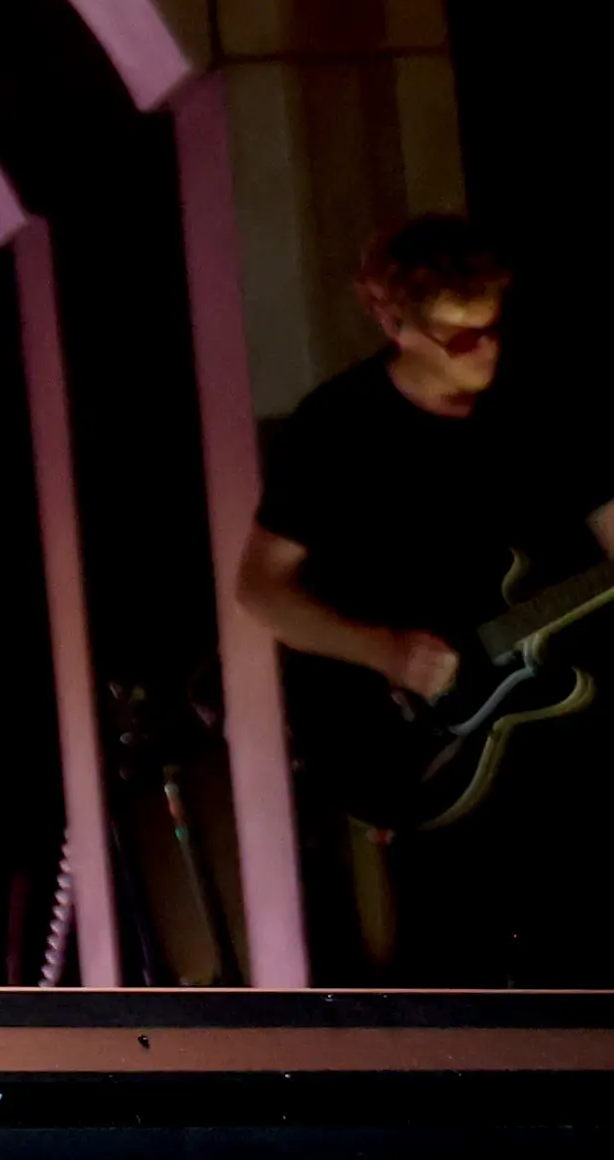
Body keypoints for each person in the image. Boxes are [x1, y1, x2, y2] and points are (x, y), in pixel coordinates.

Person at [241, 214, 614, 979]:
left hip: (561, 738)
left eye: (491, 327)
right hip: (425, 746)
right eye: (459, 337)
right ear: (391, 321)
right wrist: (382, 651)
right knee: (454, 958)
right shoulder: (335, 428)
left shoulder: (545, 405)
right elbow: (258, 588)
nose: (484, 350)